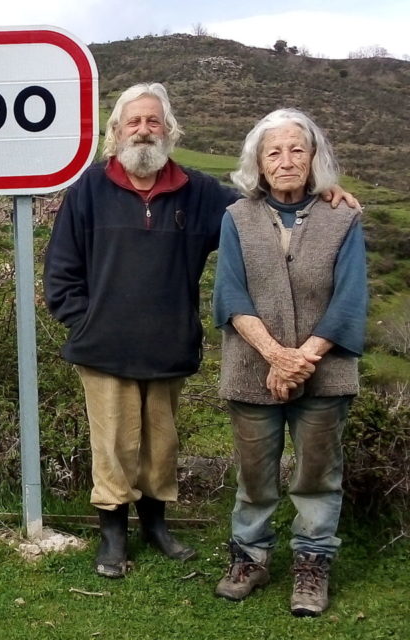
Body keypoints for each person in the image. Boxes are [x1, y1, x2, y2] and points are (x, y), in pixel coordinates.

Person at [43, 83, 357, 579]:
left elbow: (263, 205)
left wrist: (322, 193)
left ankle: (156, 527)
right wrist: (85, 320)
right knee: (115, 445)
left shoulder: (199, 191)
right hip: (103, 345)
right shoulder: (90, 189)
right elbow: (61, 267)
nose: (144, 130)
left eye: (154, 121)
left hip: (169, 345)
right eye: (134, 122)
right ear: (116, 131)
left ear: (169, 130)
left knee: (160, 445)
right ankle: (112, 535)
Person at [212, 109, 366, 617]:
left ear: (313, 157)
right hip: (251, 368)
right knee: (255, 476)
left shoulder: (343, 216)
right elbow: (230, 295)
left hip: (326, 372)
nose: (286, 160)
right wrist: (276, 355)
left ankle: (312, 563)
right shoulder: (236, 217)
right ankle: (249, 557)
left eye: (296, 150)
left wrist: (302, 358)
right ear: (258, 163)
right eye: (273, 152)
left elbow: (350, 299)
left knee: (319, 475)